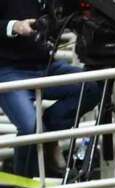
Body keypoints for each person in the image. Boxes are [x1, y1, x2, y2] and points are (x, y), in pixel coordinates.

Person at [0, 0, 101, 178]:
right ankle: (23, 181)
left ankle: (48, 136)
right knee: (31, 128)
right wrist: (14, 26)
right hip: (8, 70)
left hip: (45, 63)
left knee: (90, 88)